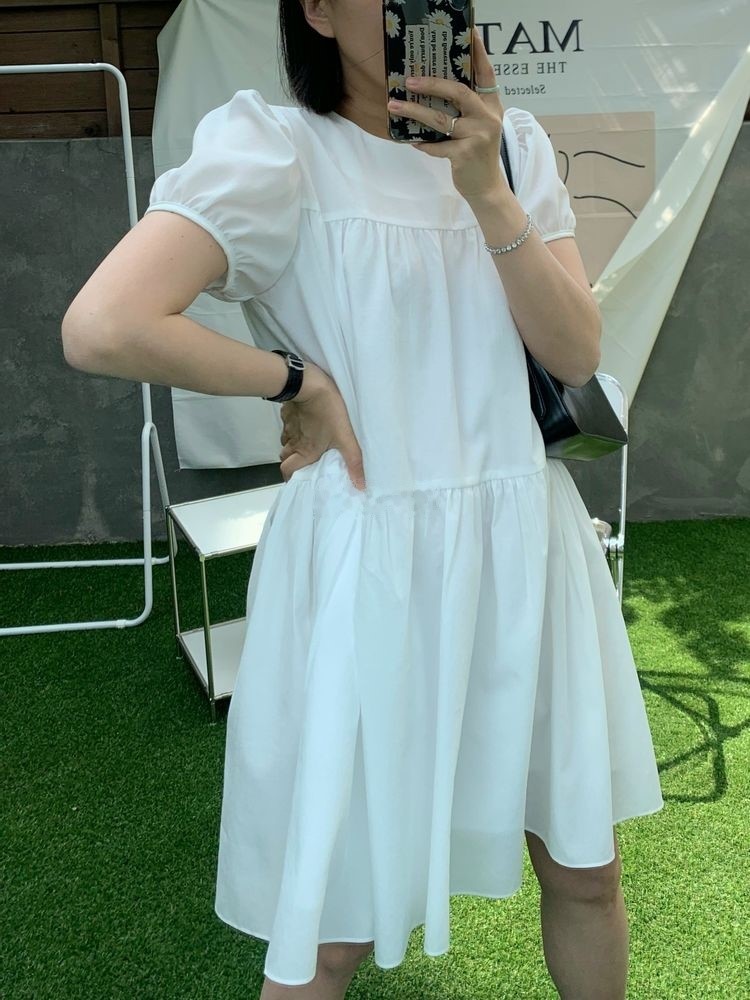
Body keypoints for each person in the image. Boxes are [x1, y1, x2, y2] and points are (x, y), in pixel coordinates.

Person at [61, 1, 665, 997]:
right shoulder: (278, 150)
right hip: (365, 562)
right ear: (315, 7)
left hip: (526, 545)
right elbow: (104, 325)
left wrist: (489, 192)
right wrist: (295, 383)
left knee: (587, 872)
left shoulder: (513, 146)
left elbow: (576, 352)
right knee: (331, 926)